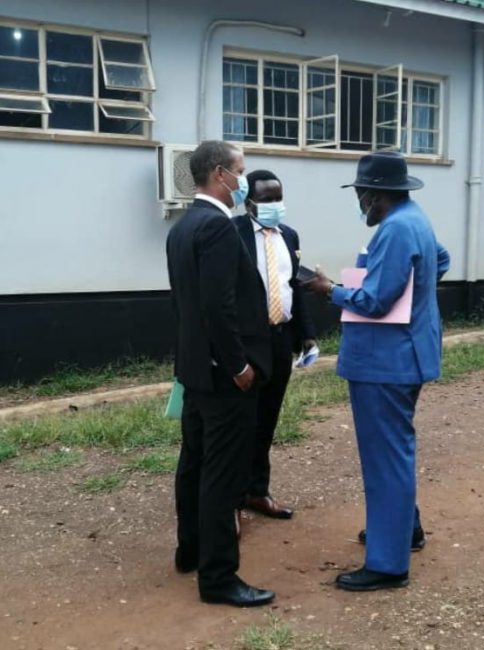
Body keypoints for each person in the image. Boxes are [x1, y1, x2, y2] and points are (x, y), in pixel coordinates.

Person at [304, 151, 450, 592]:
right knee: (395, 450)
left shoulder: (395, 229)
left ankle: (388, 565)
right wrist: (415, 295)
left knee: (386, 459)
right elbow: (440, 261)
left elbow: (374, 301)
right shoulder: (415, 218)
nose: (360, 203)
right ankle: (405, 530)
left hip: (385, 362)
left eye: (361, 195)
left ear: (373, 195)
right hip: (407, 353)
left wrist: (329, 289)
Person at [166, 141, 275, 607]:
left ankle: (190, 551)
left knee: (193, 464)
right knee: (222, 475)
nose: (243, 180)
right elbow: (218, 306)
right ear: (218, 174)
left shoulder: (183, 227)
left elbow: (187, 306)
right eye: (240, 171)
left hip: (195, 370)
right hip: (223, 376)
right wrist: (239, 365)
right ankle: (218, 577)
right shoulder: (217, 227)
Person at [233, 170, 316, 520]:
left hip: (279, 339)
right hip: (247, 342)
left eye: (278, 198)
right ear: (249, 202)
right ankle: (232, 501)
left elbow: (293, 286)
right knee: (241, 423)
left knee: (267, 419)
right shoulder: (232, 233)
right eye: (266, 199)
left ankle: (257, 491)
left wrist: (306, 334)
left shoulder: (289, 235)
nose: (274, 205)